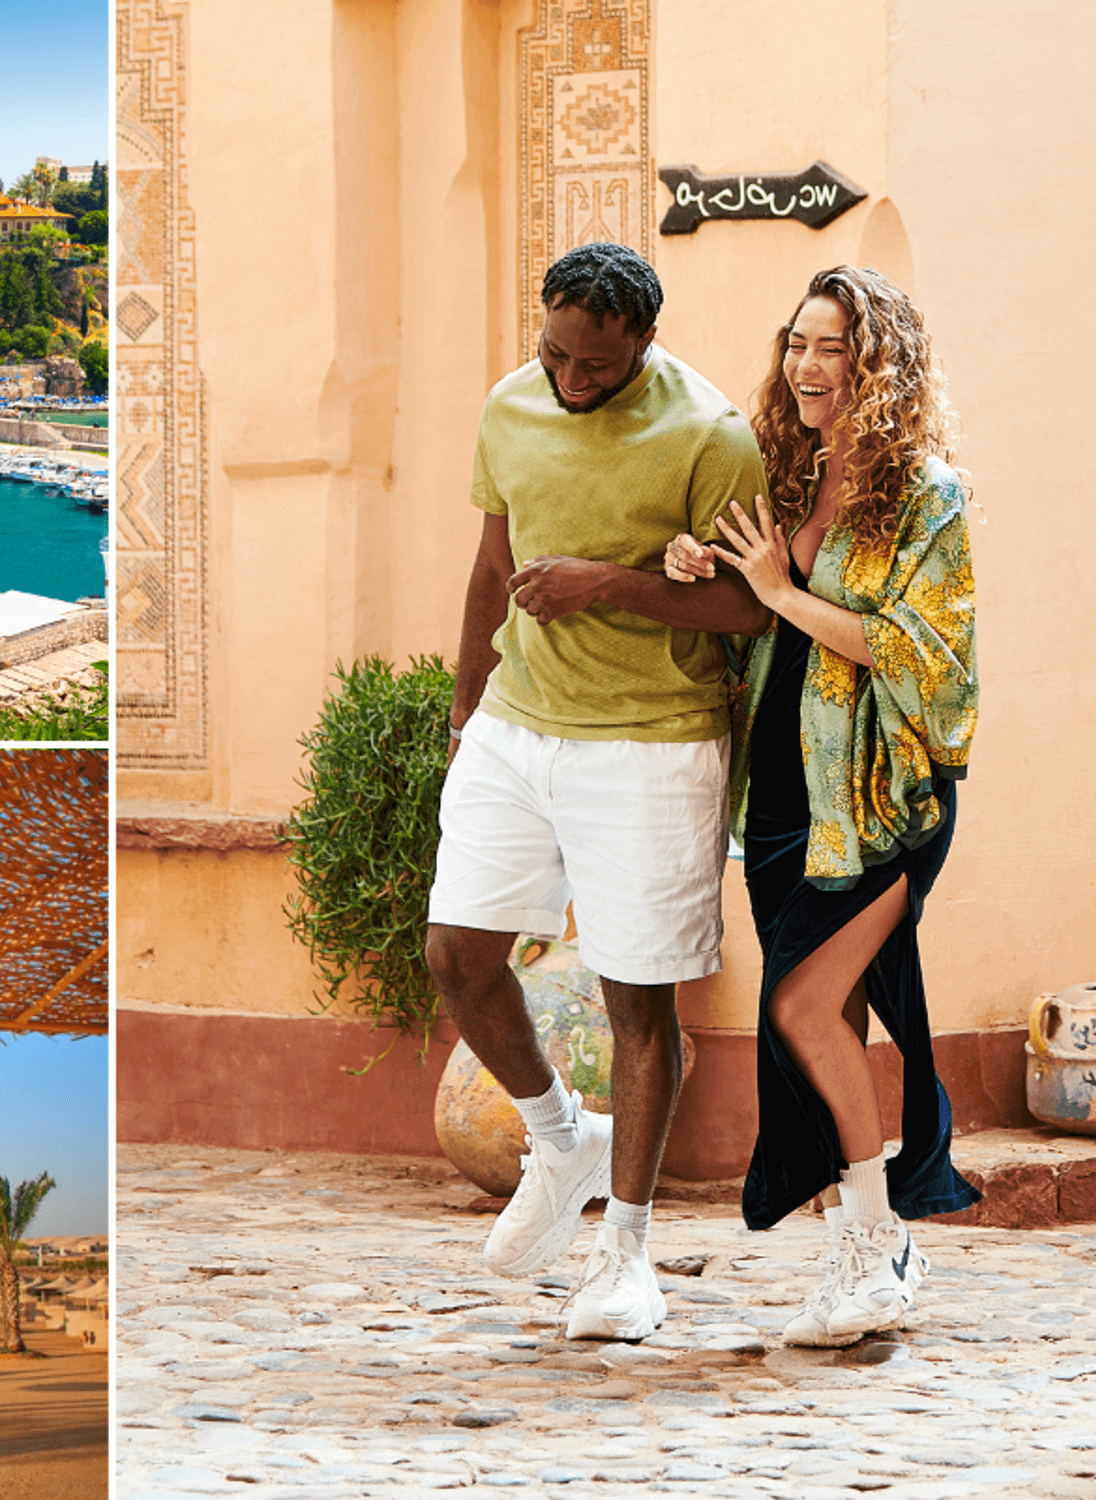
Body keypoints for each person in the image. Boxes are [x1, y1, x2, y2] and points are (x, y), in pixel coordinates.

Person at [425, 242, 770, 1341]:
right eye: (555, 354)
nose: (570, 380)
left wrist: (608, 586)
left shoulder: (710, 436)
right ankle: (555, 1134)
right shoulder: (508, 405)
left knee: (637, 999)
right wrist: (461, 714)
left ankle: (624, 1252)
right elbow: (490, 568)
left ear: (643, 342)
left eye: (597, 366)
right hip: (514, 730)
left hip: (652, 744)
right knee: (455, 955)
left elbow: (749, 611)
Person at [665, 265, 980, 1345]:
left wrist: (781, 595)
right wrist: (699, 569)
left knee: (799, 1008)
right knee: (825, 1018)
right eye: (795, 343)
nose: (805, 365)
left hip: (882, 799)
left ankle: (877, 1242)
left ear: (875, 363)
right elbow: (745, 621)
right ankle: (854, 1260)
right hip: (782, 797)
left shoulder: (926, 497)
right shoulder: (788, 482)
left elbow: (925, 662)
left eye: (831, 347)